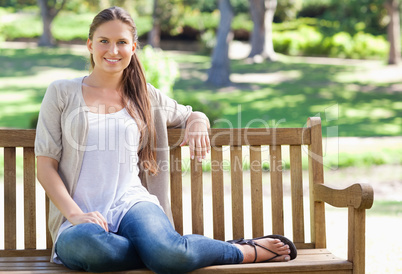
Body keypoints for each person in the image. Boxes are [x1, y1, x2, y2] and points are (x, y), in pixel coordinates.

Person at [35, 6, 297, 274]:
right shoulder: (62, 93)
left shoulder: (145, 96)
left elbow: (191, 114)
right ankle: (158, 251)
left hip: (131, 204)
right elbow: (45, 165)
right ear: (90, 44)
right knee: (95, 249)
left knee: (170, 255)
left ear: (133, 47)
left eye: (122, 42)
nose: (113, 51)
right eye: (104, 41)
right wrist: (77, 215)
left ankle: (240, 250)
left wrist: (196, 122)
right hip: (78, 219)